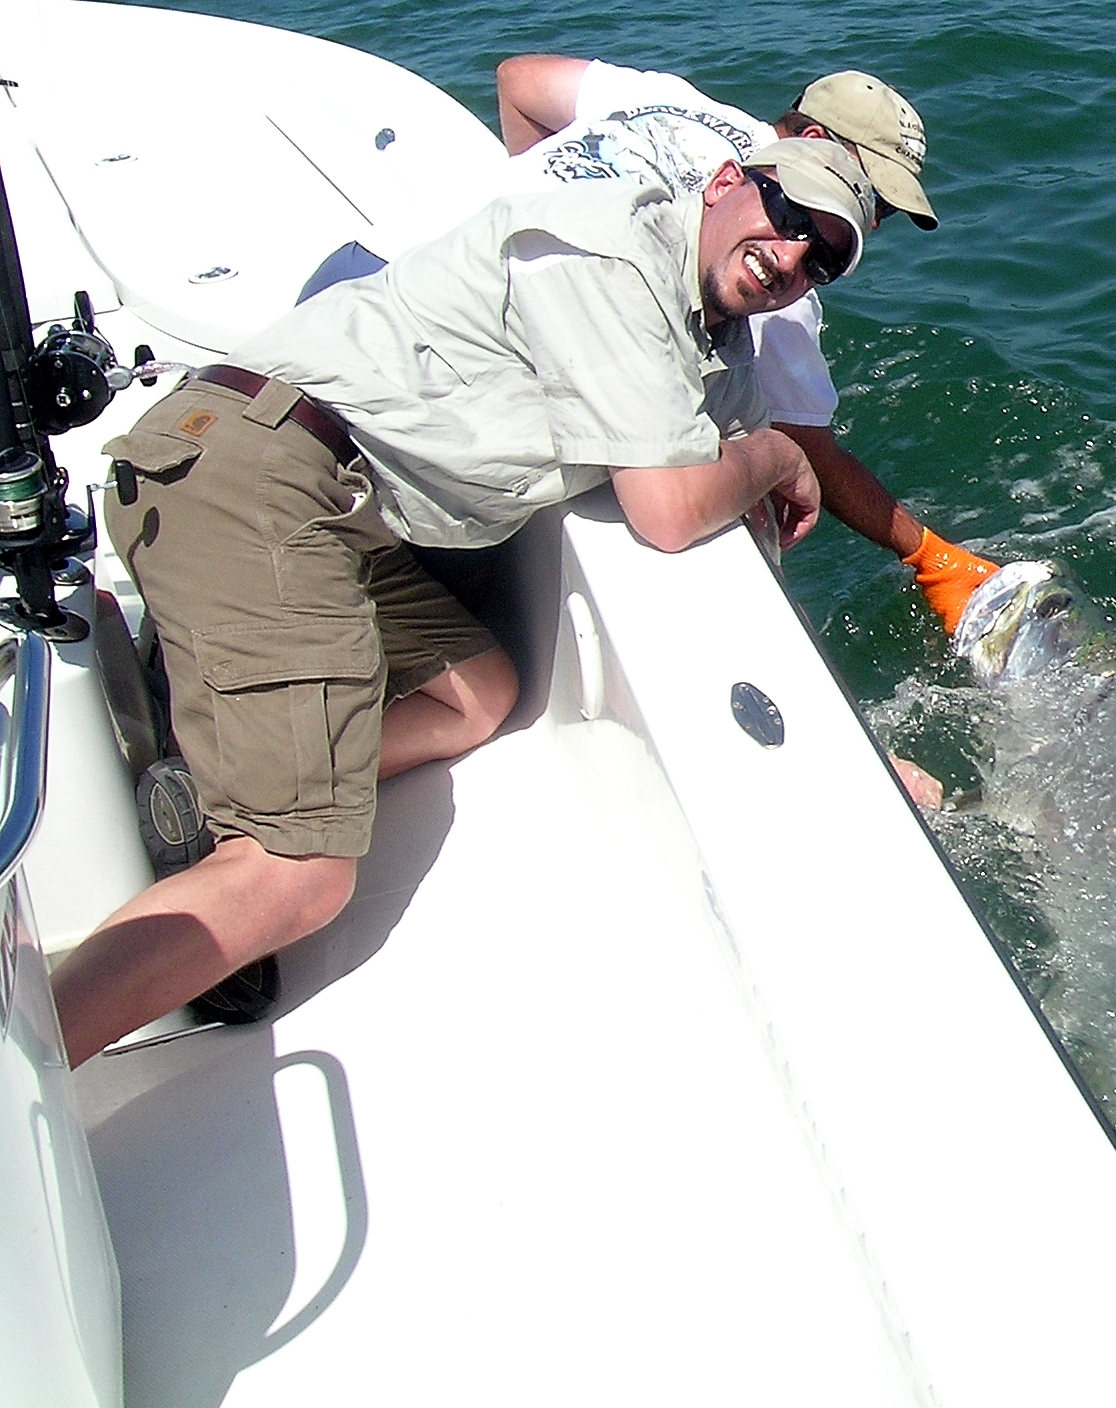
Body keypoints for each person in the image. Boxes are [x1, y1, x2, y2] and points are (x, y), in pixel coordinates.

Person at [50, 139, 876, 1066]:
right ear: (728, 182)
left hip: (347, 508)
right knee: (300, 877)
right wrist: (783, 458)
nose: (792, 256)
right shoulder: (612, 255)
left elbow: (724, 469)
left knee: (476, 696)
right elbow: (673, 509)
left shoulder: (709, 325)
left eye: (823, 258)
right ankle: (27, 1058)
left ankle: (208, 788)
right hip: (256, 472)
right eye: (790, 218)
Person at [495, 56, 997, 636]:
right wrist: (930, 557)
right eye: (875, 200)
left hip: (435, 264)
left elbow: (519, 82)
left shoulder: (673, 100)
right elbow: (798, 440)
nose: (874, 223)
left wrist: (532, 217)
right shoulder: (769, 275)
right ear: (812, 141)